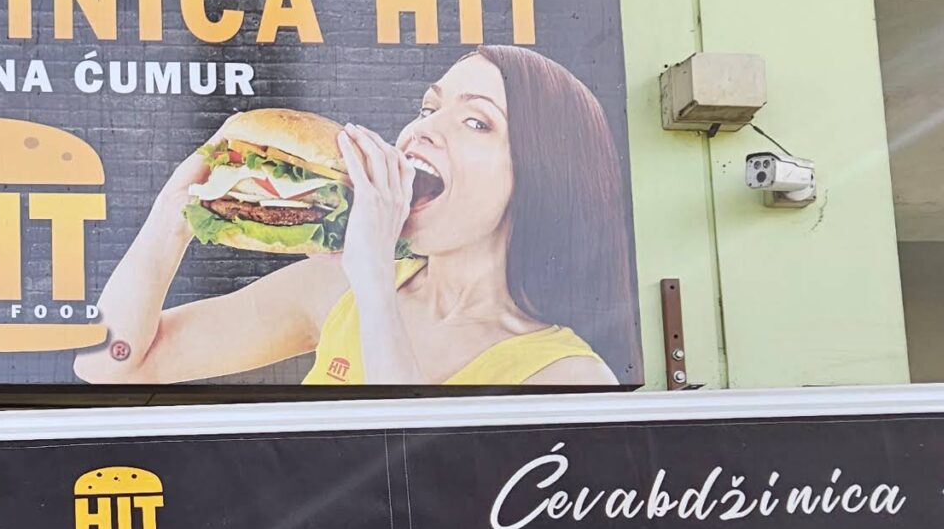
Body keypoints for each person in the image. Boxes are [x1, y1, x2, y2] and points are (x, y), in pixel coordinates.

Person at [75, 47, 638, 388]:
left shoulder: (567, 376)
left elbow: (407, 478)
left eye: (476, 123)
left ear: (542, 173)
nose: (422, 129)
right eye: (428, 107)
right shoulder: (334, 287)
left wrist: (372, 281)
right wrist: (174, 211)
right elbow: (110, 364)